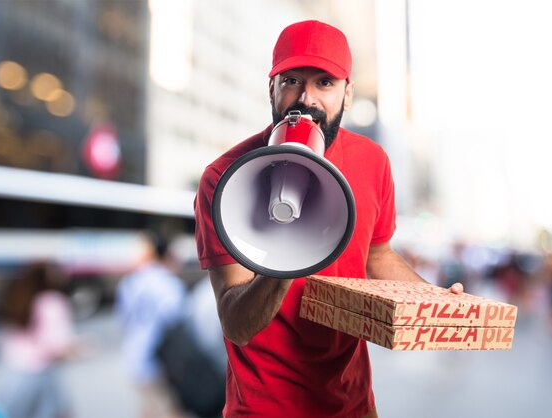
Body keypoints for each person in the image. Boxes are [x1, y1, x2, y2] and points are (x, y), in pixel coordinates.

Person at [194, 20, 464, 418]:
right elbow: (237, 325)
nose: (307, 99)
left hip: (353, 403)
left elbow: (377, 256)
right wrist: (288, 253)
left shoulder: (373, 162)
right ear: (271, 88)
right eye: (291, 81)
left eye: (325, 82)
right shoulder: (223, 178)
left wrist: (433, 301)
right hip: (264, 409)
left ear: (348, 93)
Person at [0, 261, 79, 418]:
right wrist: (80, 349)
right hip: (40, 374)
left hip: (13, 373)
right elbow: (58, 347)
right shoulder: (52, 301)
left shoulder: (17, 296)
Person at [115, 233, 187, 418]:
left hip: (135, 356)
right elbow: (176, 322)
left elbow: (124, 318)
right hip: (162, 361)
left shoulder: (129, 282)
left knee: (148, 409)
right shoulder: (168, 283)